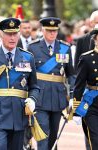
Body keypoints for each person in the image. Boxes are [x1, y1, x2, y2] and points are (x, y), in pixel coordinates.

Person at [0, 17, 40, 150]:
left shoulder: (28, 57)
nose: (12, 38)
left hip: (19, 114)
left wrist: (32, 99)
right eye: (8, 34)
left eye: (15, 34)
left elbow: (34, 86)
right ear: (0, 34)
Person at [28, 17, 75, 150]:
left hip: (57, 98)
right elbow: (28, 74)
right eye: (49, 30)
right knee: (43, 135)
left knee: (54, 137)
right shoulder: (33, 47)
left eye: (54, 30)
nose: (52, 33)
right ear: (42, 30)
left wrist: (72, 95)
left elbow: (71, 74)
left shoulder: (65, 48)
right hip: (39, 98)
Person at [74, 10, 98, 150]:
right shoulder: (86, 57)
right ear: (94, 39)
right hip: (92, 102)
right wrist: (76, 110)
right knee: (95, 139)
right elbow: (79, 84)